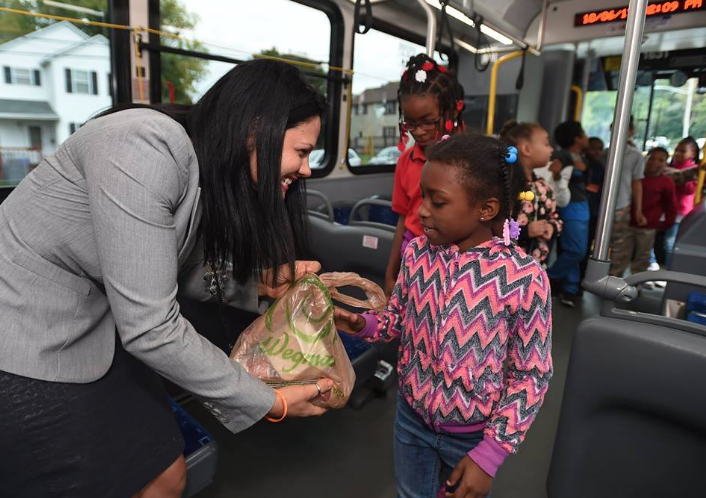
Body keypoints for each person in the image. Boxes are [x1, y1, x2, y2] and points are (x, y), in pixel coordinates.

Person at [0, 59, 336, 498]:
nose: (307, 169)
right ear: (256, 130)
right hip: (25, 337)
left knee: (164, 473)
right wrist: (269, 401)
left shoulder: (196, 165)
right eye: (303, 151)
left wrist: (259, 286)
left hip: (96, 331)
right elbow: (151, 327)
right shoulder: (144, 146)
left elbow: (174, 269)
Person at [336, 134, 553, 498]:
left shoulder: (523, 277)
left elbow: (531, 374)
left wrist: (491, 453)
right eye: (423, 197)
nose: (421, 211)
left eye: (438, 202)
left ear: (485, 209)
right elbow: (399, 320)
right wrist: (365, 324)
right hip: (411, 421)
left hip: (472, 437)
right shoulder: (417, 254)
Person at [384, 53, 465, 296]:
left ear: (452, 111)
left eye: (428, 121)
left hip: (457, 261)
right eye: (410, 123)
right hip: (412, 257)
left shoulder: (471, 161)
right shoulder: (406, 162)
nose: (418, 131)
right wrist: (390, 274)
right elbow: (403, 221)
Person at [499, 120, 563, 266]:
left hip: (537, 267)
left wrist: (551, 227)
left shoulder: (544, 186)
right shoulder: (504, 186)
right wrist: (526, 231)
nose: (551, 149)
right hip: (506, 265)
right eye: (546, 144)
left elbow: (556, 217)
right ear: (526, 149)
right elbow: (493, 226)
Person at [609, 147, 677, 279]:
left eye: (660, 160)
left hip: (648, 226)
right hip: (627, 222)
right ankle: (613, 280)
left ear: (666, 163)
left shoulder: (666, 182)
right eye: (652, 158)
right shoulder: (636, 177)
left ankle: (636, 284)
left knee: (642, 257)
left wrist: (663, 224)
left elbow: (671, 205)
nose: (655, 163)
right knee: (620, 254)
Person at [547, 121, 590, 307]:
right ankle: (548, 278)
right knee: (576, 250)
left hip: (580, 205)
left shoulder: (582, 156)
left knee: (572, 248)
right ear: (577, 138)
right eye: (584, 134)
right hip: (571, 206)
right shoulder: (563, 156)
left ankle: (570, 288)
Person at [607, 117, 646, 277]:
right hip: (602, 207)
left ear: (631, 132)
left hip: (621, 206)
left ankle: (612, 277)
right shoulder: (605, 152)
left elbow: (636, 183)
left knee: (619, 246)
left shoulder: (635, 155)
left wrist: (637, 210)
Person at [660, 136, 701, 267]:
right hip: (665, 208)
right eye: (677, 150)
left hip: (680, 210)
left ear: (693, 153)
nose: (678, 153)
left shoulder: (695, 170)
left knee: (670, 242)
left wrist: (678, 177)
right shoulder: (668, 166)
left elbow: (689, 189)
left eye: (682, 151)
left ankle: (670, 270)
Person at [581, 137, 605, 278]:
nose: (596, 152)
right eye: (593, 148)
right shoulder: (582, 164)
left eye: (599, 149)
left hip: (594, 211)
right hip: (584, 208)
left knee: (587, 247)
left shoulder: (599, 167)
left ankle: (583, 277)